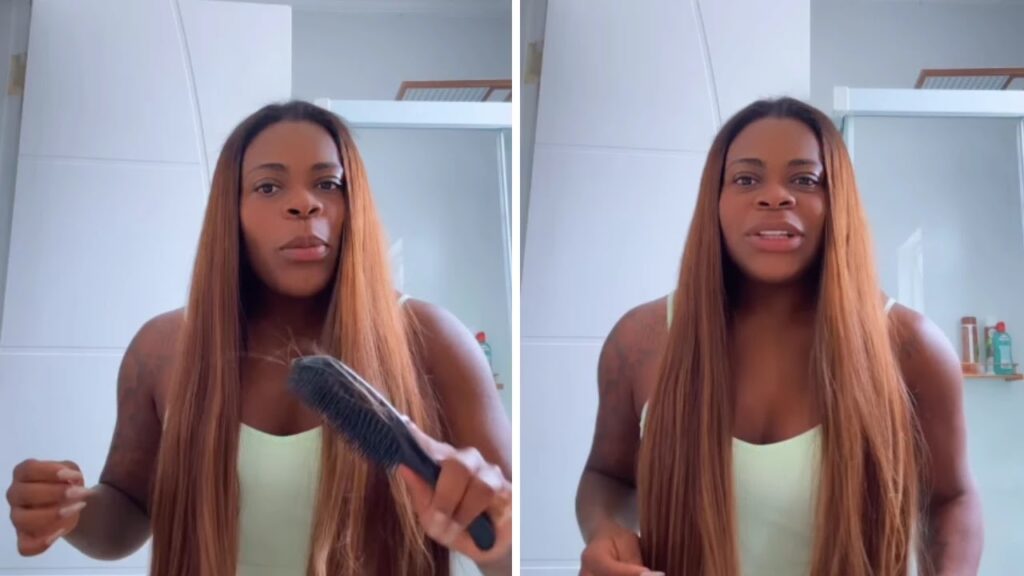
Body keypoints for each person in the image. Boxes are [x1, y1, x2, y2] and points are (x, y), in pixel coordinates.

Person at [6, 101, 512, 576]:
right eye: (269, 187)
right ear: (232, 211)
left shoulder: (433, 341)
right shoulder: (162, 350)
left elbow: (509, 551)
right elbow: (129, 510)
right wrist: (70, 510)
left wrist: (496, 532)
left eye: (328, 184)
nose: (305, 204)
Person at [576, 98, 983, 576]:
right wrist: (607, 532)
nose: (775, 197)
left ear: (838, 201)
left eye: (804, 180)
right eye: (746, 179)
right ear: (715, 201)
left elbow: (952, 498)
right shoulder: (639, 342)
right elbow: (606, 476)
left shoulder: (912, 347)